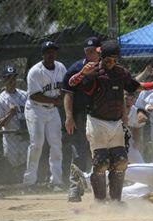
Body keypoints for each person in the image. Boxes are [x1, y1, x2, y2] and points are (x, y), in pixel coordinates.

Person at [69, 40, 142, 202]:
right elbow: (71, 83)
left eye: (115, 60)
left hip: (115, 123)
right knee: (101, 162)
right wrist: (83, 73)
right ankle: (98, 199)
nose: (111, 63)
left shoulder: (120, 73)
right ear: (102, 57)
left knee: (121, 161)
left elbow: (137, 86)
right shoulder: (93, 71)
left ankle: (115, 201)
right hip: (96, 121)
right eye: (108, 60)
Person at [24, 41, 67, 192]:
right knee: (36, 144)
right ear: (42, 54)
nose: (51, 54)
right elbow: (35, 96)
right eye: (47, 52)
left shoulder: (60, 67)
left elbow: (64, 86)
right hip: (36, 109)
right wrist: (57, 101)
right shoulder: (35, 71)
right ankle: (29, 182)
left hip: (52, 110)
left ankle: (56, 181)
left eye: (53, 51)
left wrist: (61, 98)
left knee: (56, 144)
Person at [63, 37, 101, 199]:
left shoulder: (107, 67)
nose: (91, 54)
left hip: (102, 115)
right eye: (88, 51)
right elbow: (68, 95)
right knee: (79, 150)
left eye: (94, 50)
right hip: (81, 115)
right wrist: (69, 117)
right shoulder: (76, 69)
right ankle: (75, 187)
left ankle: (101, 189)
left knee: (101, 152)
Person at [0, 66, 28, 167]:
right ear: (4, 80)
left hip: (25, 136)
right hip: (11, 138)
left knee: (27, 164)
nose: (12, 80)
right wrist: (10, 114)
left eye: (13, 78)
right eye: (8, 78)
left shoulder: (24, 95)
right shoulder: (0, 100)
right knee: (13, 165)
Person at [124, 91, 145, 164]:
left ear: (134, 100)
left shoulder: (136, 112)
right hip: (112, 140)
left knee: (140, 163)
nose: (128, 101)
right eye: (126, 99)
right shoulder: (115, 109)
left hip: (128, 141)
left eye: (131, 99)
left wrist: (137, 141)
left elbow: (137, 128)